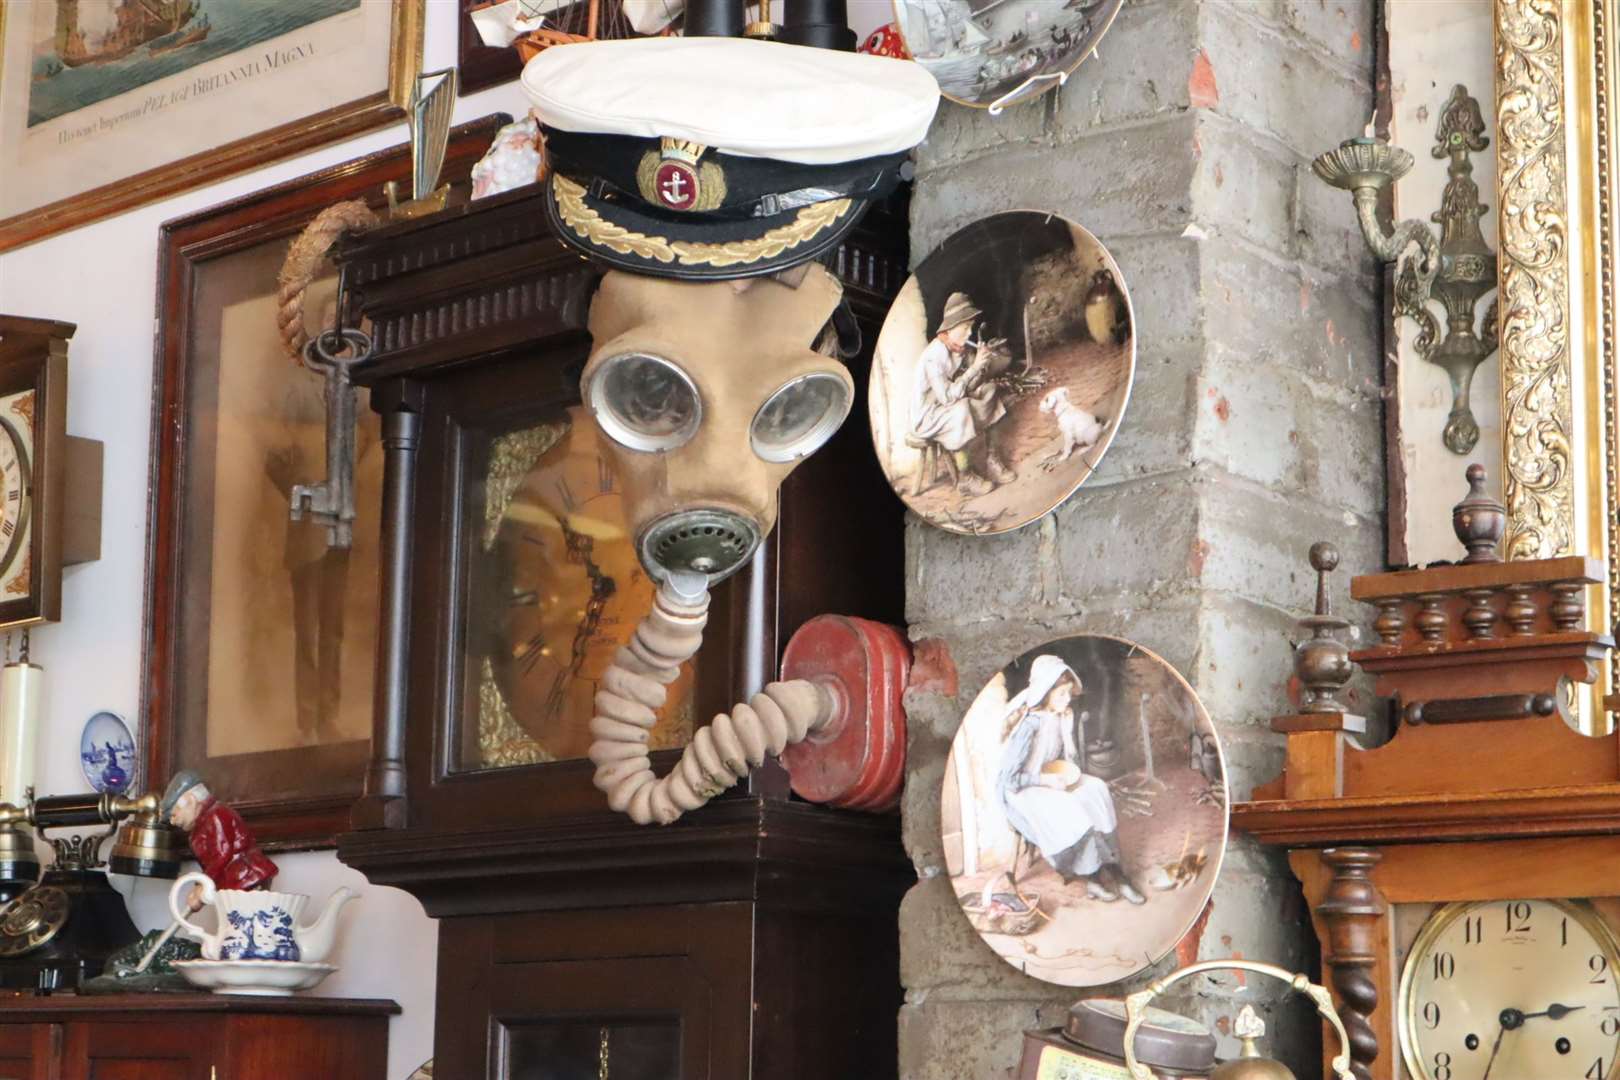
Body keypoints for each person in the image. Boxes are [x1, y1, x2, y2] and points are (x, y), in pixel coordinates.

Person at [996, 654, 1143, 904]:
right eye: (1061, 694)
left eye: (1067, 693)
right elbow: (1010, 779)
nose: (1067, 699)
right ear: (1045, 694)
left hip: (1050, 776)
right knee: (1072, 809)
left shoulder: (1061, 716)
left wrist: (1066, 777)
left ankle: (1116, 871)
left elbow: (1062, 757)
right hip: (1021, 790)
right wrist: (1046, 781)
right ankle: (1094, 878)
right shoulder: (1029, 725)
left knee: (1096, 789)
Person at [910, 291, 1014, 496]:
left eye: (971, 327)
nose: (969, 333)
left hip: (946, 405)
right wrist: (974, 368)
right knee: (961, 408)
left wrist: (982, 365)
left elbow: (970, 385)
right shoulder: (934, 356)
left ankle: (992, 459)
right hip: (927, 416)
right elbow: (947, 397)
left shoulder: (959, 348)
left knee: (990, 390)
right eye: (965, 327)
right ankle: (965, 478)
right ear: (949, 328)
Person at [162, 770, 279, 913]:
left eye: (174, 815)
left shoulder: (216, 815)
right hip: (234, 882)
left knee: (245, 921)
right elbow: (212, 864)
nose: (173, 822)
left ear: (191, 801)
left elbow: (222, 854)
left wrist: (202, 885)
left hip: (247, 877)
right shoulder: (199, 828)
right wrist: (201, 885)